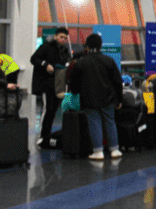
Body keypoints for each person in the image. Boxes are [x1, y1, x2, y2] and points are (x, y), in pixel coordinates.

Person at [67, 33, 122, 161]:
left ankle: (98, 152)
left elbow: (73, 82)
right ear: (101, 45)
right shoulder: (109, 60)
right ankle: (115, 149)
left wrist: (75, 92)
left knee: (94, 123)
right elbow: (117, 81)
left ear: (87, 45)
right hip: (108, 98)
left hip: (89, 98)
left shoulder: (81, 62)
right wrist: (118, 99)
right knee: (110, 121)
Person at [30, 27, 70, 147]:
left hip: (57, 85)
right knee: (48, 109)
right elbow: (33, 59)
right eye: (61, 37)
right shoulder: (46, 47)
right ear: (56, 36)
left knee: (53, 110)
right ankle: (43, 135)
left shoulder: (64, 50)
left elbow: (66, 62)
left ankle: (47, 134)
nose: (63, 39)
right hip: (46, 84)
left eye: (65, 38)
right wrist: (45, 64)